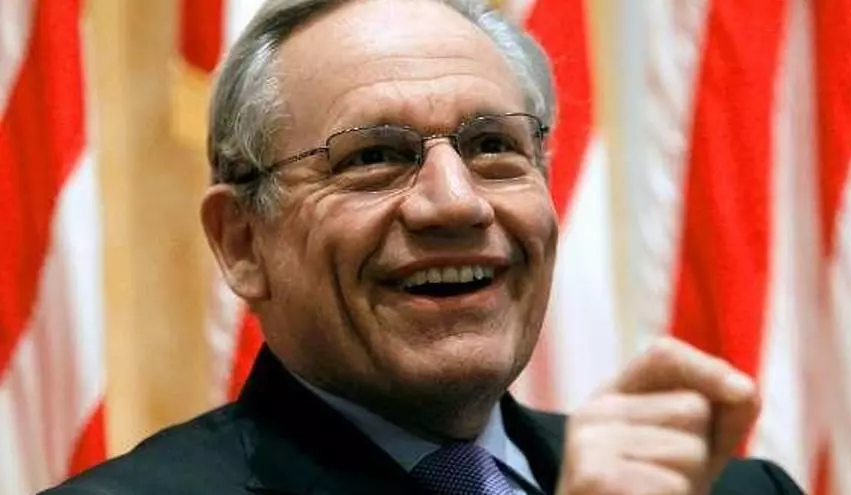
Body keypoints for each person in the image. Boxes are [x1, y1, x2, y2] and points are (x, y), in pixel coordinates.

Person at [44, 0, 804, 493]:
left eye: (493, 146)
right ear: (242, 242)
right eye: (374, 156)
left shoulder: (731, 489)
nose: (457, 202)